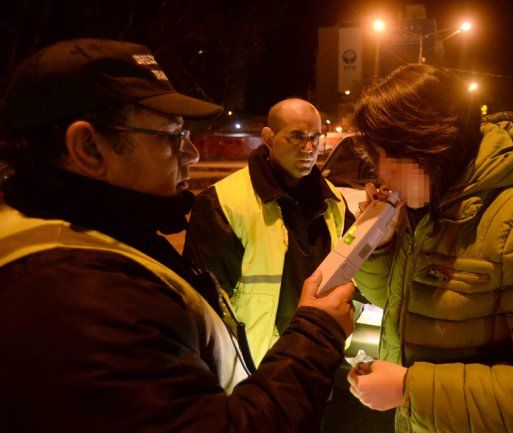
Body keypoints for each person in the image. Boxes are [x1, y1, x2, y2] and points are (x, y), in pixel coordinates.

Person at [0, 39, 354, 433]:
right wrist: (317, 331)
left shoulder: (97, 237)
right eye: (171, 137)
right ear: (88, 146)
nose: (192, 155)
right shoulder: (76, 295)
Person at [347, 64, 513, 433]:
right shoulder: (424, 207)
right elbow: (401, 307)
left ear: (429, 146)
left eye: (387, 155)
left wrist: (410, 389)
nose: (381, 174)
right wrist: (380, 246)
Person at [184, 98, 354, 365]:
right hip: (256, 367)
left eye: (315, 138)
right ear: (268, 138)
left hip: (321, 355)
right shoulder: (223, 202)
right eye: (297, 137)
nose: (309, 148)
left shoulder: (332, 200)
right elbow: (204, 308)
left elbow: (358, 274)